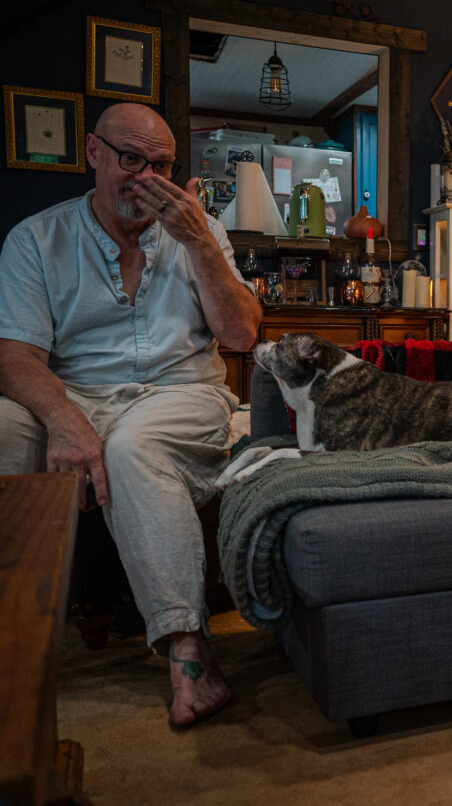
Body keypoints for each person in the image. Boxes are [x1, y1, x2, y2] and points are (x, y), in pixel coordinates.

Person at [0, 103, 262, 725]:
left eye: (162, 164)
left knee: (132, 446)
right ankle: (13, 638)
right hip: (78, 393)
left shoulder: (201, 230)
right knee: (5, 426)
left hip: (180, 395)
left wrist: (199, 239)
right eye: (131, 159)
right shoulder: (37, 239)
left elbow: (243, 335)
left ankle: (188, 652)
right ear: (93, 153)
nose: (146, 177)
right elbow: (14, 357)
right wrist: (67, 420)